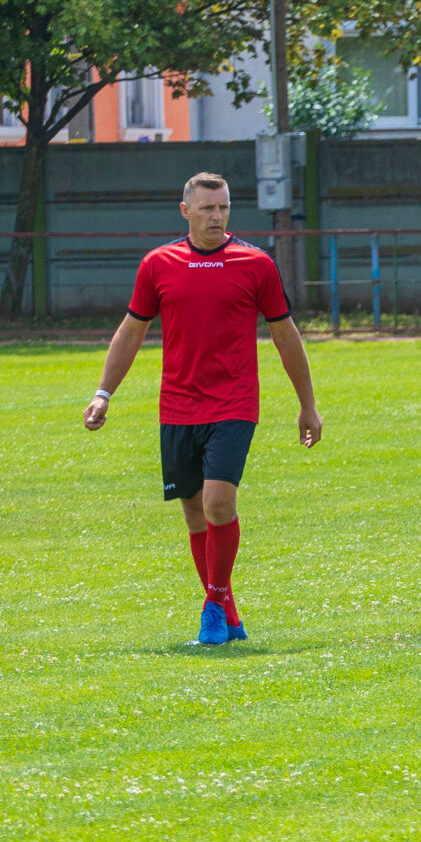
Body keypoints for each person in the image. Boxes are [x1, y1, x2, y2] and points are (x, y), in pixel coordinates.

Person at [82, 172, 323, 646]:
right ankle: (228, 613)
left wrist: (307, 405)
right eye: (208, 208)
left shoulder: (256, 264)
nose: (218, 216)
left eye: (224, 207)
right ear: (186, 211)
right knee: (194, 513)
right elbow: (131, 331)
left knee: (217, 503)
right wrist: (103, 394)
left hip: (234, 403)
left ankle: (212, 607)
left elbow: (285, 334)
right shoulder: (158, 264)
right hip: (177, 405)